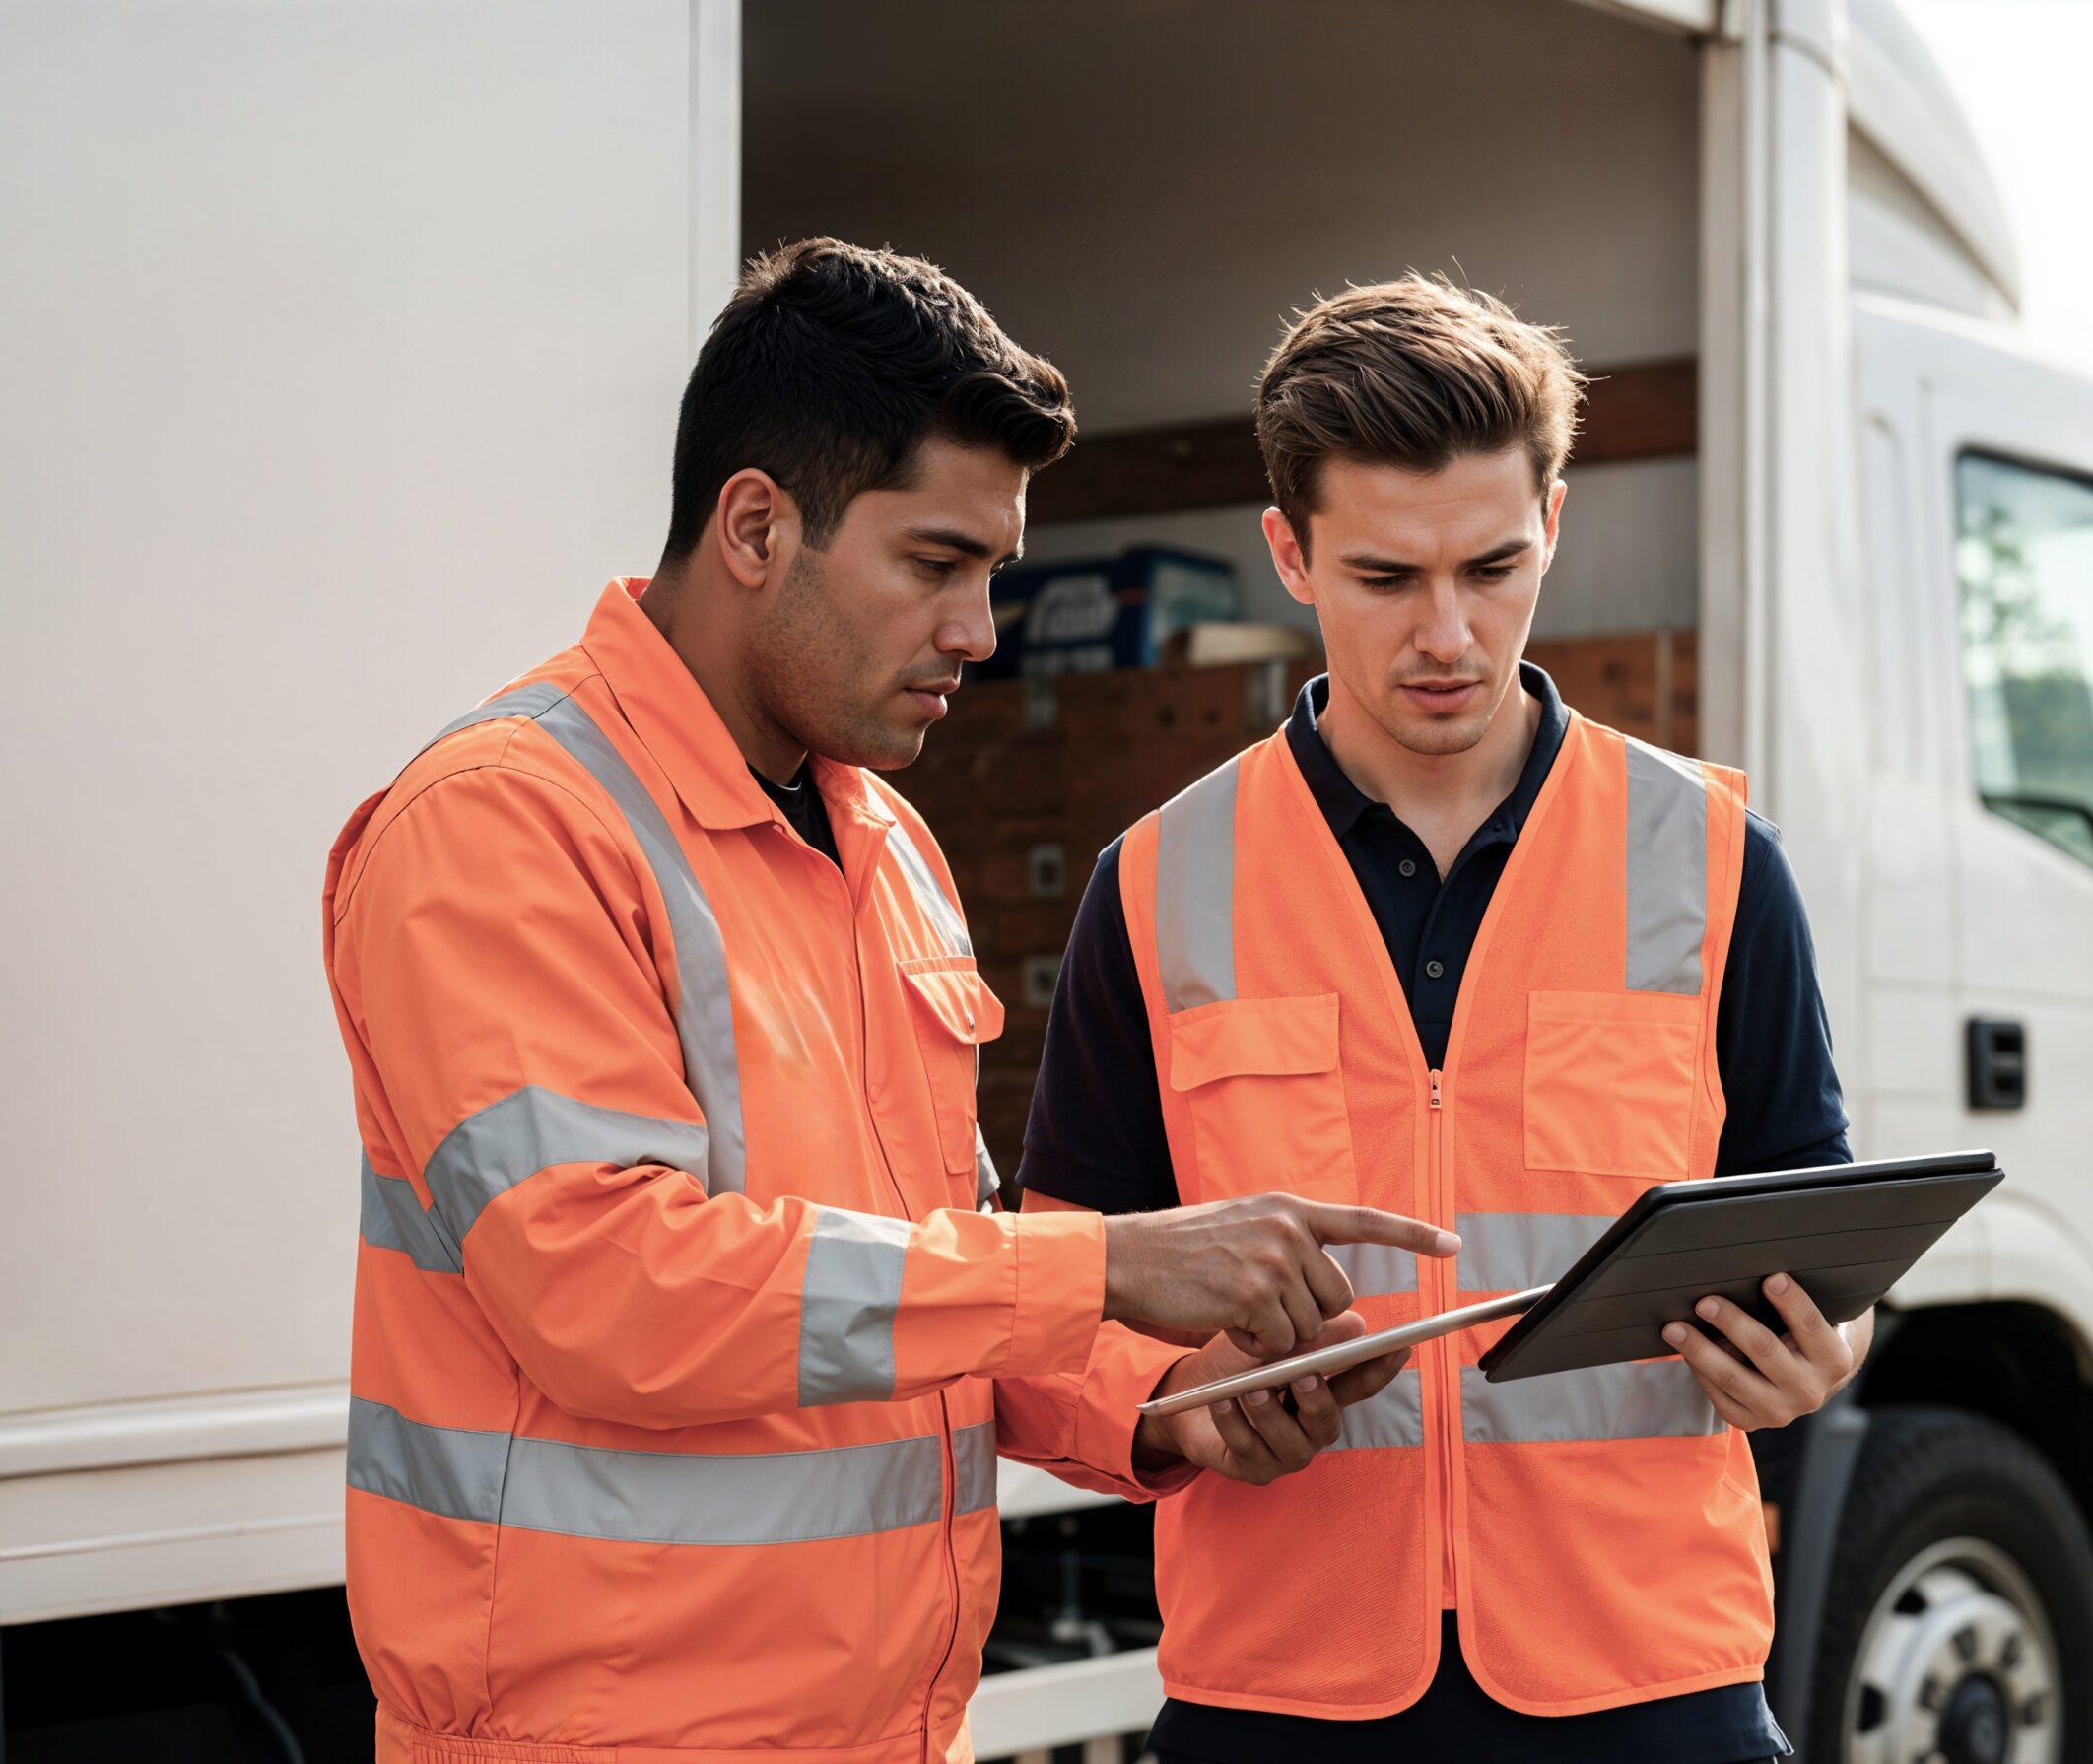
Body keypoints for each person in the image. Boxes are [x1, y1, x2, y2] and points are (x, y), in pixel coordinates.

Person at [320, 239, 1452, 1764]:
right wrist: (1108, 1266)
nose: (979, 630)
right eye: (935, 565)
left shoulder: (882, 842)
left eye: (993, 572)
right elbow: (611, 1291)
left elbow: (932, 1286)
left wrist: (1177, 1396)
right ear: (753, 525)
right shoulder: (505, 825)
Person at [1019, 276, 1865, 1764]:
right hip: (1284, 1694)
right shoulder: (1159, 885)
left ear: (1555, 520)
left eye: (1492, 565)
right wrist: (1176, 1402)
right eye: (1386, 577)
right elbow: (1048, 1291)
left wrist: (1821, 1350)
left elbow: (1819, 1239)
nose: (1448, 634)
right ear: (1290, 551)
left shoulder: (1713, 857)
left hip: (1649, 1684)